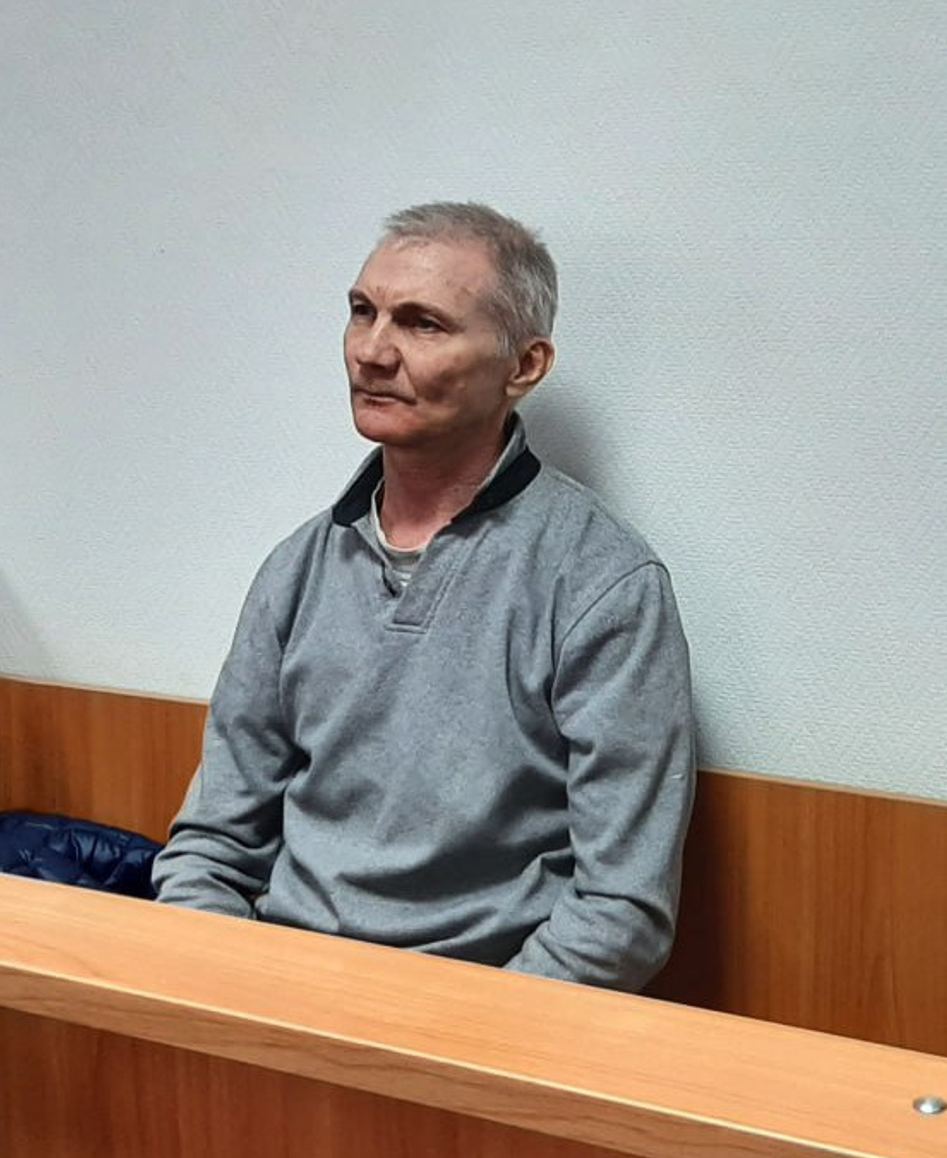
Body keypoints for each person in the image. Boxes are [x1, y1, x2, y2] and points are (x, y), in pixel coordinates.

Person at [151, 202, 694, 991]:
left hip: (479, 1017)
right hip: (276, 995)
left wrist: (464, 1037)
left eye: (422, 324)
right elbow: (211, 846)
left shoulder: (602, 582)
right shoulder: (298, 569)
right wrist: (232, 995)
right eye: (361, 311)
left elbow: (620, 912)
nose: (372, 351)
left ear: (525, 366)